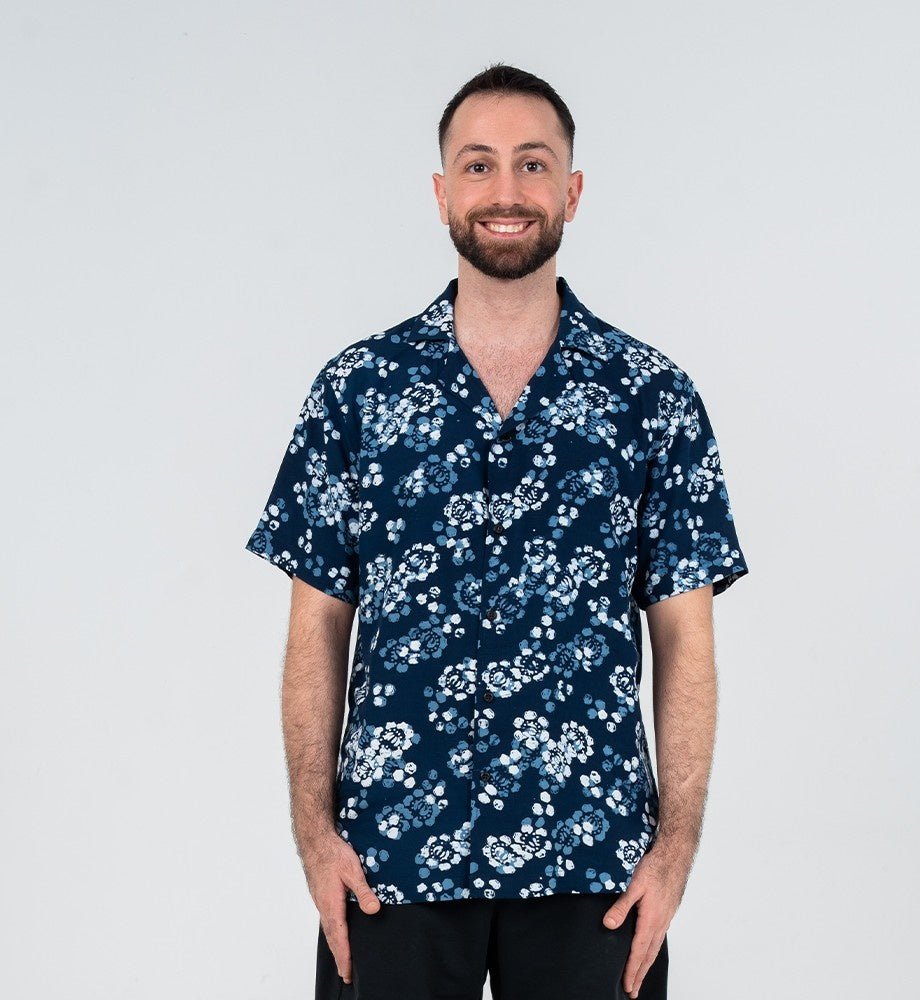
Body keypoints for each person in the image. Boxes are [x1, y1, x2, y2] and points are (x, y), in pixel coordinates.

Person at [244, 62, 750, 1000]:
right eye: (477, 166)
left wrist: (675, 851)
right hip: (389, 859)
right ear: (442, 193)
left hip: (591, 866)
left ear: (572, 190)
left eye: (532, 164)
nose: (506, 192)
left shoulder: (652, 400)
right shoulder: (359, 391)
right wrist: (315, 838)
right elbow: (315, 627)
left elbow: (686, 639)